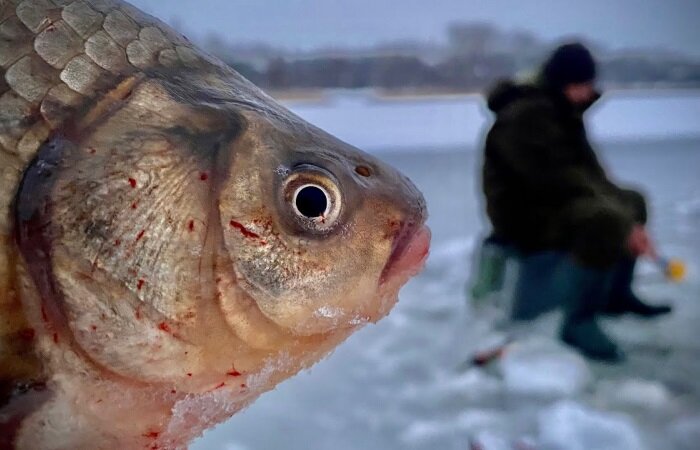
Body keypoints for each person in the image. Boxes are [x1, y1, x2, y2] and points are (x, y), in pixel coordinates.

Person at [480, 42, 672, 361]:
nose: (587, 92)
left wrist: (628, 214)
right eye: (581, 85)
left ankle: (615, 296)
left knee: (634, 201)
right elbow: (553, 178)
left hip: (555, 202)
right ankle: (578, 321)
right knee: (606, 221)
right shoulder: (525, 115)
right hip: (523, 213)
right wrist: (621, 222)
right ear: (562, 82)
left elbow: (590, 172)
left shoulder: (561, 110)